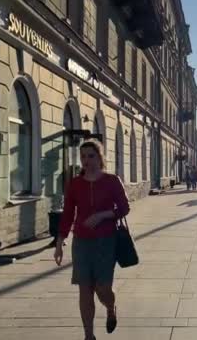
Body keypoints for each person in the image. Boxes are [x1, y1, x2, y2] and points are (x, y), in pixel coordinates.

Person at [54, 139, 129, 340]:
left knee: (102, 287)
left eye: (91, 156)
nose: (86, 160)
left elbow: (124, 208)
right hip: (82, 242)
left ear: (100, 157)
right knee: (85, 289)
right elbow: (68, 213)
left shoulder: (112, 181)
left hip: (106, 241)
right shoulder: (75, 184)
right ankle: (89, 336)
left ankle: (111, 308)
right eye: (83, 156)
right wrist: (60, 241)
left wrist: (103, 215)